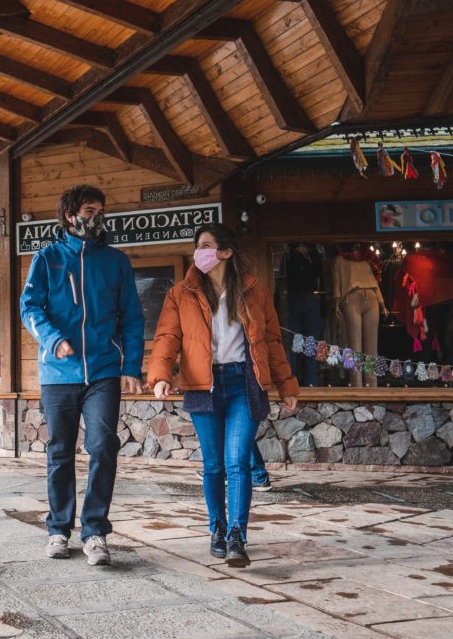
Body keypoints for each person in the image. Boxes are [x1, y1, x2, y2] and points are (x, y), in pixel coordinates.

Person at [148, 223, 297, 567]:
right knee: (214, 465)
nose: (199, 251)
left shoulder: (253, 290)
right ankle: (216, 529)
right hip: (203, 384)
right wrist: (160, 376)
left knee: (238, 462)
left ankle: (236, 537)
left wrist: (287, 384)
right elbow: (167, 336)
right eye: (197, 245)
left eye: (206, 245)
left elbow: (272, 340)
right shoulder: (181, 293)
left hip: (243, 382)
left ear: (226, 252)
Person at [21, 185, 144, 565]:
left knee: (104, 445)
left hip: (104, 370)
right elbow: (29, 307)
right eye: (90, 210)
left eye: (100, 210)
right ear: (70, 215)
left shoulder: (116, 261)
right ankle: (58, 529)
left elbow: (133, 318)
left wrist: (130, 367)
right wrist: (54, 339)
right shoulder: (47, 258)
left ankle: (95, 533)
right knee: (60, 451)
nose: (97, 217)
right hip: (58, 373)